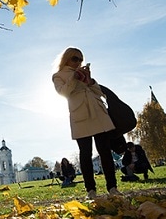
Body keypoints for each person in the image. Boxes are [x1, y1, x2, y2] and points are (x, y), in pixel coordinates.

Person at [52, 47, 121, 199]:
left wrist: (90, 81)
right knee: (85, 154)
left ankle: (112, 187)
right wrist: (74, 78)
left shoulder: (84, 73)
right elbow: (63, 92)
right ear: (67, 59)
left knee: (105, 152)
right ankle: (91, 190)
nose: (78, 62)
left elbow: (100, 93)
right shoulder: (58, 75)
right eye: (75, 58)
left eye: (81, 59)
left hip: (98, 114)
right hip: (81, 116)